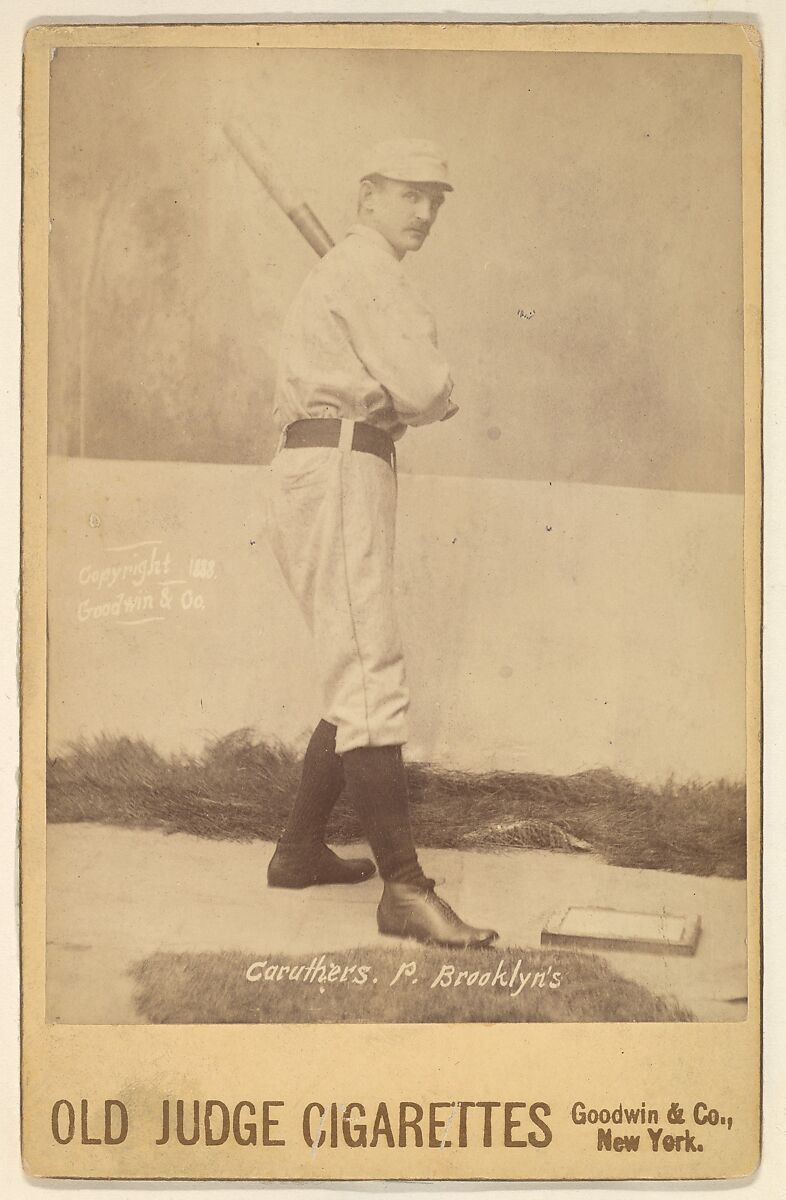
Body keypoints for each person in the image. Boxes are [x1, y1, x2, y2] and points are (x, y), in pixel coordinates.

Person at [265, 139, 497, 948]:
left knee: (351, 664)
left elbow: (407, 388)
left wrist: (414, 391)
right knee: (368, 672)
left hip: (334, 461)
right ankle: (405, 889)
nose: (427, 212)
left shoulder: (358, 271)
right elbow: (427, 386)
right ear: (367, 195)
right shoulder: (366, 270)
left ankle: (297, 850)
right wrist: (434, 389)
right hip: (338, 462)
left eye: (438, 197)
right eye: (411, 195)